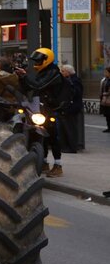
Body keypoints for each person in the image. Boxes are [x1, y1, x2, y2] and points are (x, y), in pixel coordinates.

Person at [16, 48, 70, 177]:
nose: (37, 63)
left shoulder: (53, 73)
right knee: (43, 136)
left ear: (46, 60)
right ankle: (44, 162)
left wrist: (25, 76)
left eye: (39, 60)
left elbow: (38, 85)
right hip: (43, 109)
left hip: (54, 110)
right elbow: (29, 87)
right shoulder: (43, 72)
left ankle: (58, 165)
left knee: (53, 137)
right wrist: (22, 78)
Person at [59, 65, 84, 152]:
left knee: (71, 128)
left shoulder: (74, 81)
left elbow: (75, 93)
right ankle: (66, 146)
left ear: (68, 72)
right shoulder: (68, 80)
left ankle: (72, 147)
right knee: (66, 128)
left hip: (72, 107)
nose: (61, 73)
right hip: (68, 107)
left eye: (63, 71)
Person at [100, 67, 110, 133]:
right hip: (105, 100)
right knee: (107, 115)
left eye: (106, 72)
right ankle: (109, 127)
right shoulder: (105, 80)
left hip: (108, 99)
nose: (105, 73)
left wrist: (104, 93)